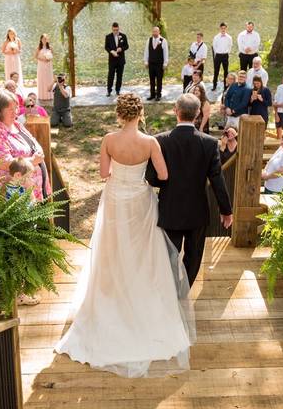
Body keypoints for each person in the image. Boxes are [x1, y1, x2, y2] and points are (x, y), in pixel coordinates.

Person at [55, 93, 194, 378]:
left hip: (116, 199)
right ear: (140, 114)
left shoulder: (108, 139)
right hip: (140, 201)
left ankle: (113, 298)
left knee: (113, 250)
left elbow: (104, 173)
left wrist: (121, 173)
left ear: (120, 114)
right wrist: (141, 177)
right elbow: (164, 176)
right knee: (143, 251)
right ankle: (142, 298)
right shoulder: (150, 142)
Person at [147, 94, 232, 287]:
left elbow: (151, 178)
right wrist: (226, 210)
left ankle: (169, 290)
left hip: (170, 209)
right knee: (194, 255)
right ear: (198, 115)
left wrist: (168, 185)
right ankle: (184, 289)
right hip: (197, 211)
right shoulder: (210, 143)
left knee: (169, 254)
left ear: (176, 112)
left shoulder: (160, 141)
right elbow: (217, 179)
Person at [0, 90, 50, 201]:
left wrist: (39, 152)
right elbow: (4, 163)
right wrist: (33, 160)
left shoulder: (16, 124)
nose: (16, 112)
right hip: (16, 198)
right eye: (11, 109)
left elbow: (33, 142)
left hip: (34, 189)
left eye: (16, 108)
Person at [143, 26, 169, 102]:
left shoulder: (163, 40)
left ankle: (158, 95)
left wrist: (165, 63)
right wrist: (146, 61)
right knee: (151, 79)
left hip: (159, 64)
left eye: (156, 32)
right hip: (151, 63)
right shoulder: (149, 40)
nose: (154, 33)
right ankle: (152, 94)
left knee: (159, 80)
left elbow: (166, 53)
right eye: (153, 31)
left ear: (159, 32)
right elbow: (146, 51)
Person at [105, 22, 129, 98]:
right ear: (112, 29)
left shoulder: (123, 36)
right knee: (110, 75)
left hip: (120, 60)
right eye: (114, 30)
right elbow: (106, 47)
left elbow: (127, 46)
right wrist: (111, 51)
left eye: (117, 30)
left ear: (119, 28)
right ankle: (109, 90)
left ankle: (118, 90)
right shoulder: (108, 37)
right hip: (112, 60)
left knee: (119, 76)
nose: (115, 31)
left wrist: (121, 48)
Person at [211, 22, 232, 91]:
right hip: (218, 56)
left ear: (226, 28)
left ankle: (226, 86)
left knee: (226, 71)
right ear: (220, 28)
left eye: (224, 28)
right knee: (216, 71)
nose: (223, 30)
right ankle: (214, 85)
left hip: (225, 55)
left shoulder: (229, 37)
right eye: (222, 28)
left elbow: (230, 46)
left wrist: (227, 53)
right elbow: (214, 46)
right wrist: (218, 53)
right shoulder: (216, 37)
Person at [36, 34, 55, 105]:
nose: (44, 40)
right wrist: (43, 59)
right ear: (41, 39)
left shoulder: (50, 47)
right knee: (42, 79)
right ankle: (42, 95)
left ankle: (49, 95)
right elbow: (36, 56)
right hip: (41, 65)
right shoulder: (39, 48)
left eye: (46, 39)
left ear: (47, 40)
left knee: (48, 79)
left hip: (48, 65)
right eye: (43, 39)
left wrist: (49, 58)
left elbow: (52, 55)